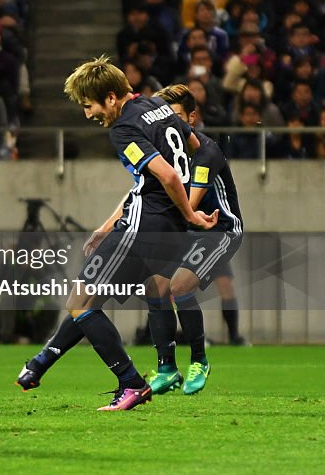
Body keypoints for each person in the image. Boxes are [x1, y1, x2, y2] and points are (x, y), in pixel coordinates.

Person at [15, 56, 217, 411]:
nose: (87, 113)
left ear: (110, 98)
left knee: (81, 303)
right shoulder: (158, 106)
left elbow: (167, 176)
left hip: (143, 228)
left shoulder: (124, 127)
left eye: (88, 104)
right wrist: (185, 213)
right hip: (168, 229)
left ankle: (131, 383)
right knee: (89, 302)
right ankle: (40, 364)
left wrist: (192, 214)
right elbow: (197, 148)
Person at [150, 84, 244, 395]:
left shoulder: (206, 153)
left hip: (221, 231)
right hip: (191, 230)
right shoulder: (166, 155)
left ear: (192, 117)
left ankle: (199, 361)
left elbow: (188, 203)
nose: (169, 125)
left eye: (175, 117)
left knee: (178, 288)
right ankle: (166, 367)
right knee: (156, 286)